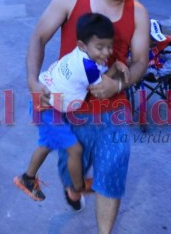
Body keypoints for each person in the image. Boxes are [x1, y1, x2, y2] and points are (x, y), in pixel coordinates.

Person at [26, 0, 150, 234]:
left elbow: (140, 62)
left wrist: (118, 84)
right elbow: (38, 37)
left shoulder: (137, 12)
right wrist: (34, 83)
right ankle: (72, 188)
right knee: (72, 173)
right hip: (69, 113)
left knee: (113, 169)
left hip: (113, 112)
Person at [14, 12, 130, 205]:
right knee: (75, 150)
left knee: (47, 143)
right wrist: (117, 67)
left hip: (44, 100)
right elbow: (101, 85)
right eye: (100, 47)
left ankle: (28, 177)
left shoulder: (81, 55)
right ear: (82, 45)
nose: (106, 53)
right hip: (48, 107)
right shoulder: (88, 68)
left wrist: (111, 63)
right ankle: (78, 187)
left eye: (109, 46)